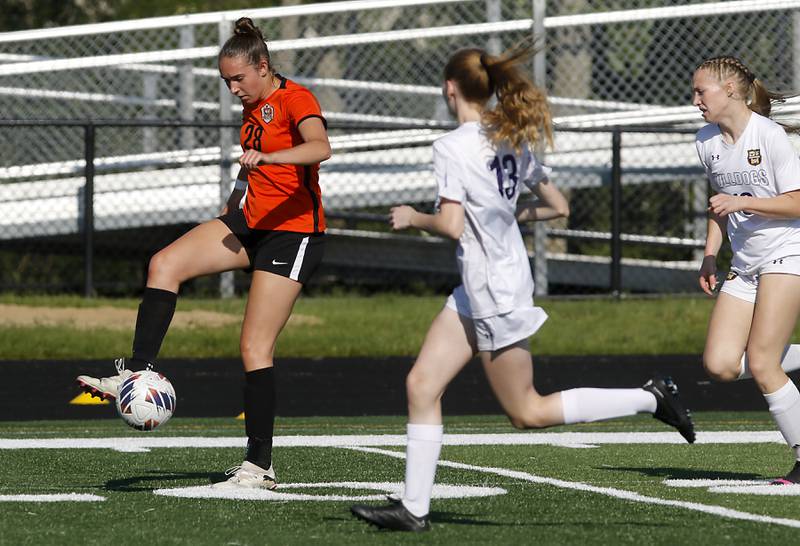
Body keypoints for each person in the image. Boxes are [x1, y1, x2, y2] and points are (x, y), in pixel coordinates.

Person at [350, 43, 695, 533]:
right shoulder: (509, 135)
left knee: (527, 411)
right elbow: (558, 206)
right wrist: (501, 217)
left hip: (495, 290)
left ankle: (651, 397)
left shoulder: (452, 146)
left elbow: (450, 225)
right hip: (482, 284)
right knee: (421, 384)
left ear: (451, 89)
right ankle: (414, 509)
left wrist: (412, 218)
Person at [76, 17, 330, 490]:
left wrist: (271, 159)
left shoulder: (296, 100)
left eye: (239, 78)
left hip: (292, 236)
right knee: (164, 263)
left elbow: (321, 148)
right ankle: (137, 372)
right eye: (226, 81)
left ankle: (259, 466)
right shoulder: (252, 107)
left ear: (263, 66)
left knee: (254, 347)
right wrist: (235, 200)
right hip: (250, 223)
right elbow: (249, 168)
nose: (233, 88)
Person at [694, 56, 800, 485]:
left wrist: (742, 203)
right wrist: (708, 255)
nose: (696, 99)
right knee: (719, 364)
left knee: (761, 362)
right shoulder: (706, 141)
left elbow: (796, 202)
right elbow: (720, 206)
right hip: (744, 264)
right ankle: (776, 355)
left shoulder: (770, 136)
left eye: (702, 91)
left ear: (731, 92)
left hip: (787, 254)